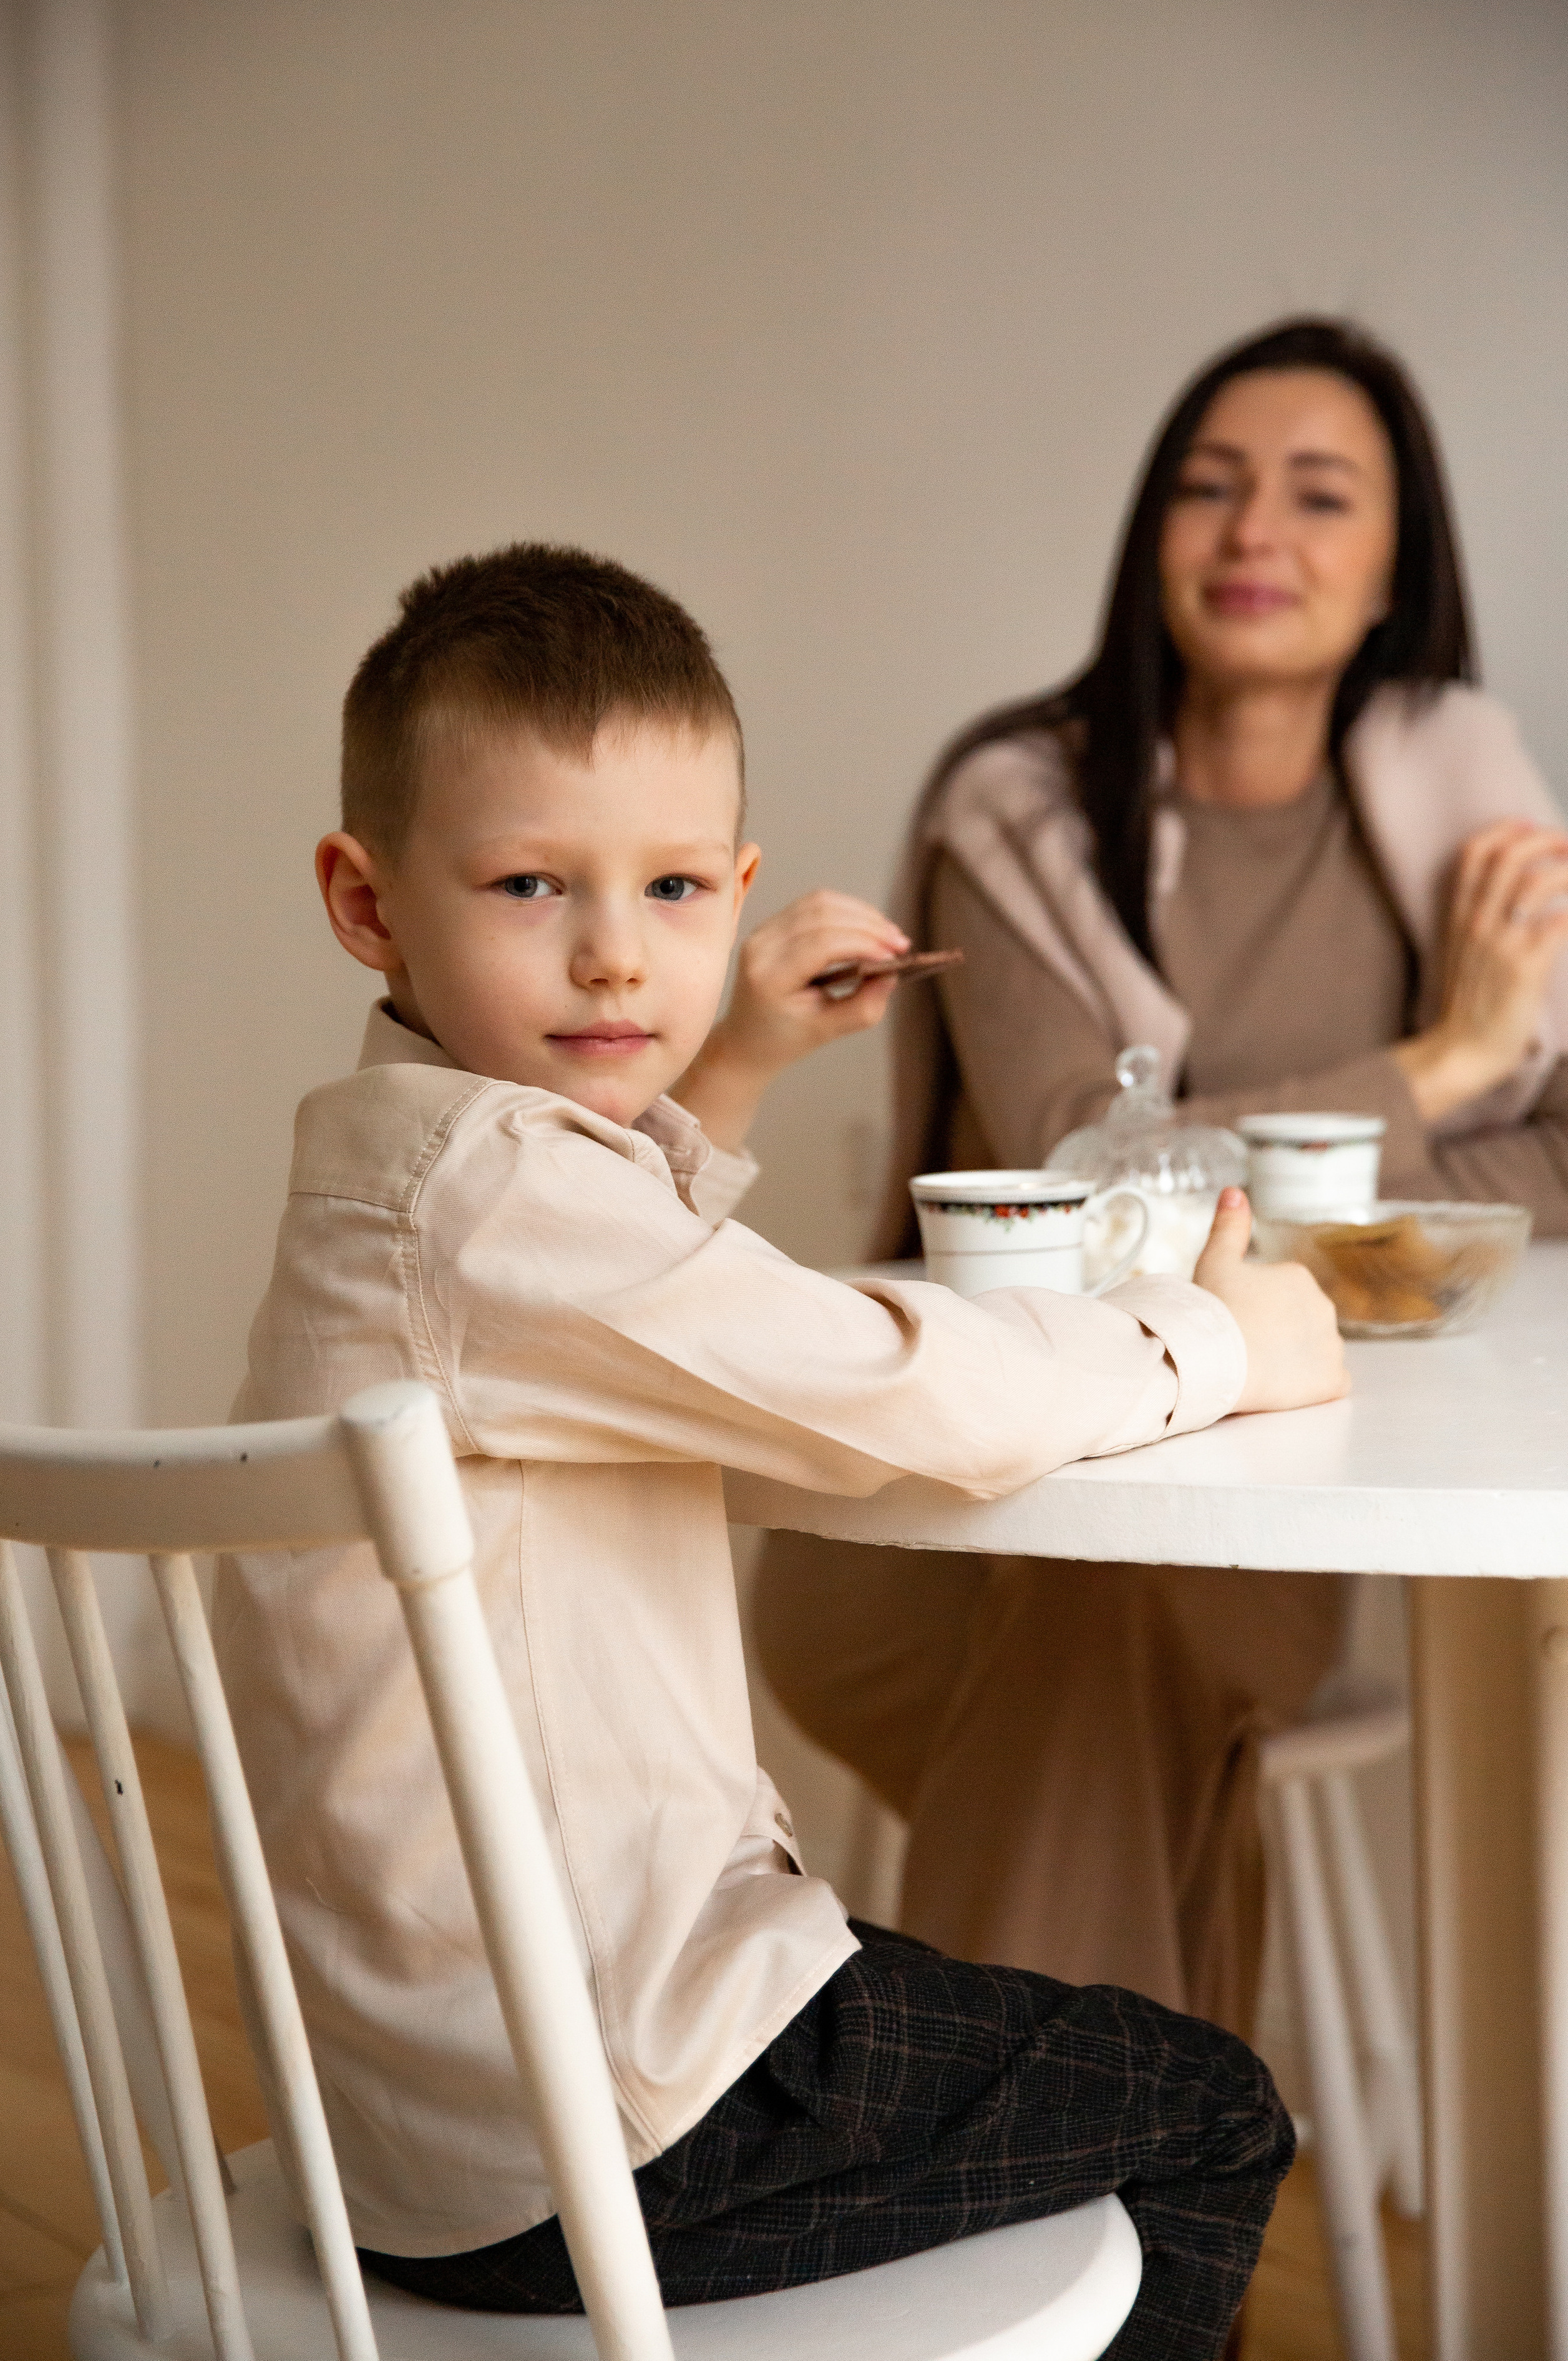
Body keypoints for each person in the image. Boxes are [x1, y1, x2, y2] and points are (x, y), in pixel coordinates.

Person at [218, 542, 1345, 2357]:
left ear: (733, 888)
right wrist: (1219, 1338)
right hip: (626, 2112)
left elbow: (645, 1311)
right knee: (1207, 2107)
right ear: (368, 903)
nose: (613, 950)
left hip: (413, 2138)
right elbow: (890, 1393)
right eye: (530, 885)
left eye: (669, 888)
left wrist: (725, 1063)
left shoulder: (398, 1180)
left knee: (1054, 2062)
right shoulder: (491, 1201)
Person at [754, 317, 1568, 2045]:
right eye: (1210, 486)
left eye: (1318, 495)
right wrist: (1438, 1069)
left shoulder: (1460, 823)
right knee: (1101, 1658)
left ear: (1395, 571)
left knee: (1119, 1660)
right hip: (937, 1490)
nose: (1253, 531)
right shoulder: (1025, 810)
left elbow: (1557, 1144)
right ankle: (1145, 2245)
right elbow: (1080, 1181)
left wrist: (1282, 1166)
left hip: (1268, 1494)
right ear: (1153, 535)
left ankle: (1063, 2254)